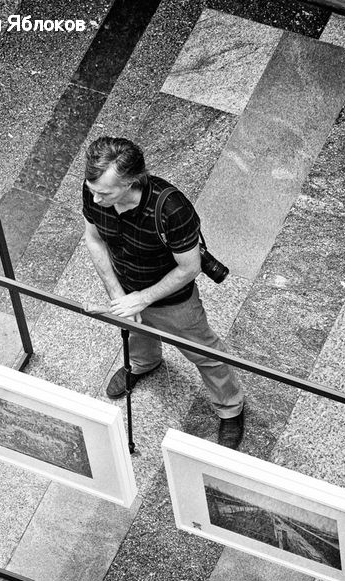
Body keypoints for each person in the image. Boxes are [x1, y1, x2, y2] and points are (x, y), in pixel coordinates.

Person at [81, 136, 245, 449]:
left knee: (204, 352)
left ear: (130, 182)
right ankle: (144, 363)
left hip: (172, 298)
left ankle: (230, 406)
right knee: (136, 330)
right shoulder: (94, 191)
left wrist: (142, 299)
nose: (97, 199)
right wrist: (118, 295)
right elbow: (94, 239)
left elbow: (189, 268)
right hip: (126, 286)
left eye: (105, 192)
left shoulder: (171, 209)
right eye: (93, 190)